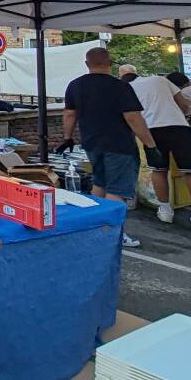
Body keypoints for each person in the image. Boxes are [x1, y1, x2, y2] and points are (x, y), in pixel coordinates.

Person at [58, 47, 163, 248]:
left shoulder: (75, 85)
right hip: (119, 145)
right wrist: (150, 145)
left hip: (92, 144)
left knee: (100, 184)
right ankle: (114, 234)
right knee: (117, 190)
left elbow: (69, 114)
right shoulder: (120, 87)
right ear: (110, 63)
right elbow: (133, 117)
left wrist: (67, 138)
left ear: (87, 64)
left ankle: (92, 228)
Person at [129, 71, 191, 225]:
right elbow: (183, 103)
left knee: (159, 170)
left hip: (151, 129)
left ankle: (166, 211)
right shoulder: (160, 79)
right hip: (179, 126)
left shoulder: (128, 88)